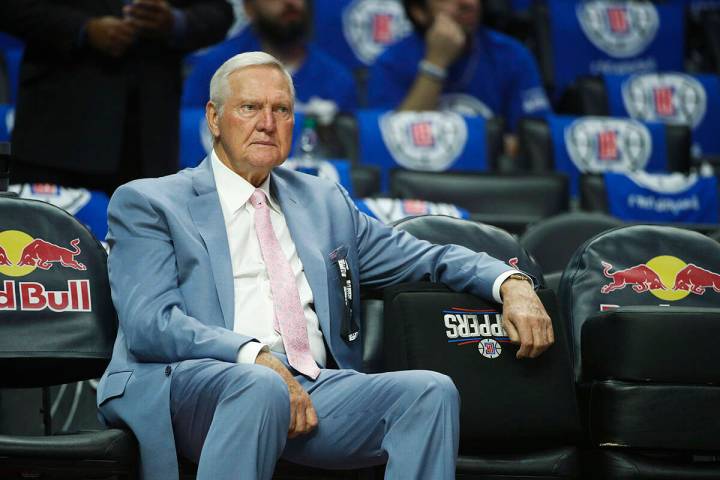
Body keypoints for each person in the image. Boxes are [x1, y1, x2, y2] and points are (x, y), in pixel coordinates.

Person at [97, 51, 554, 480]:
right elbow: (150, 324)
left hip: (309, 384)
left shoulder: (322, 201)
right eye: (250, 107)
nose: (267, 124)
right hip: (187, 380)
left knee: (428, 393)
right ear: (214, 119)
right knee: (258, 386)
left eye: (281, 110)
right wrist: (253, 355)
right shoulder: (150, 201)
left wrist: (510, 281)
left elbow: (425, 255)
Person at [0, 0, 233, 194]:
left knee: (146, 244)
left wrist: (175, 22)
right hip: (57, 135)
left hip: (148, 137)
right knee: (47, 238)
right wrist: (83, 29)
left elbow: (219, 12)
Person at [367, 0, 551, 157]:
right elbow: (390, 147)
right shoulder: (391, 62)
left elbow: (537, 142)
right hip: (418, 182)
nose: (469, 3)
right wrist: (435, 64)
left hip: (493, 185)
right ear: (419, 12)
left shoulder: (512, 56)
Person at [182, 0, 358, 114]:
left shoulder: (336, 78)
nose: (289, 3)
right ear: (249, 8)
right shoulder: (215, 69)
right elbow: (192, 139)